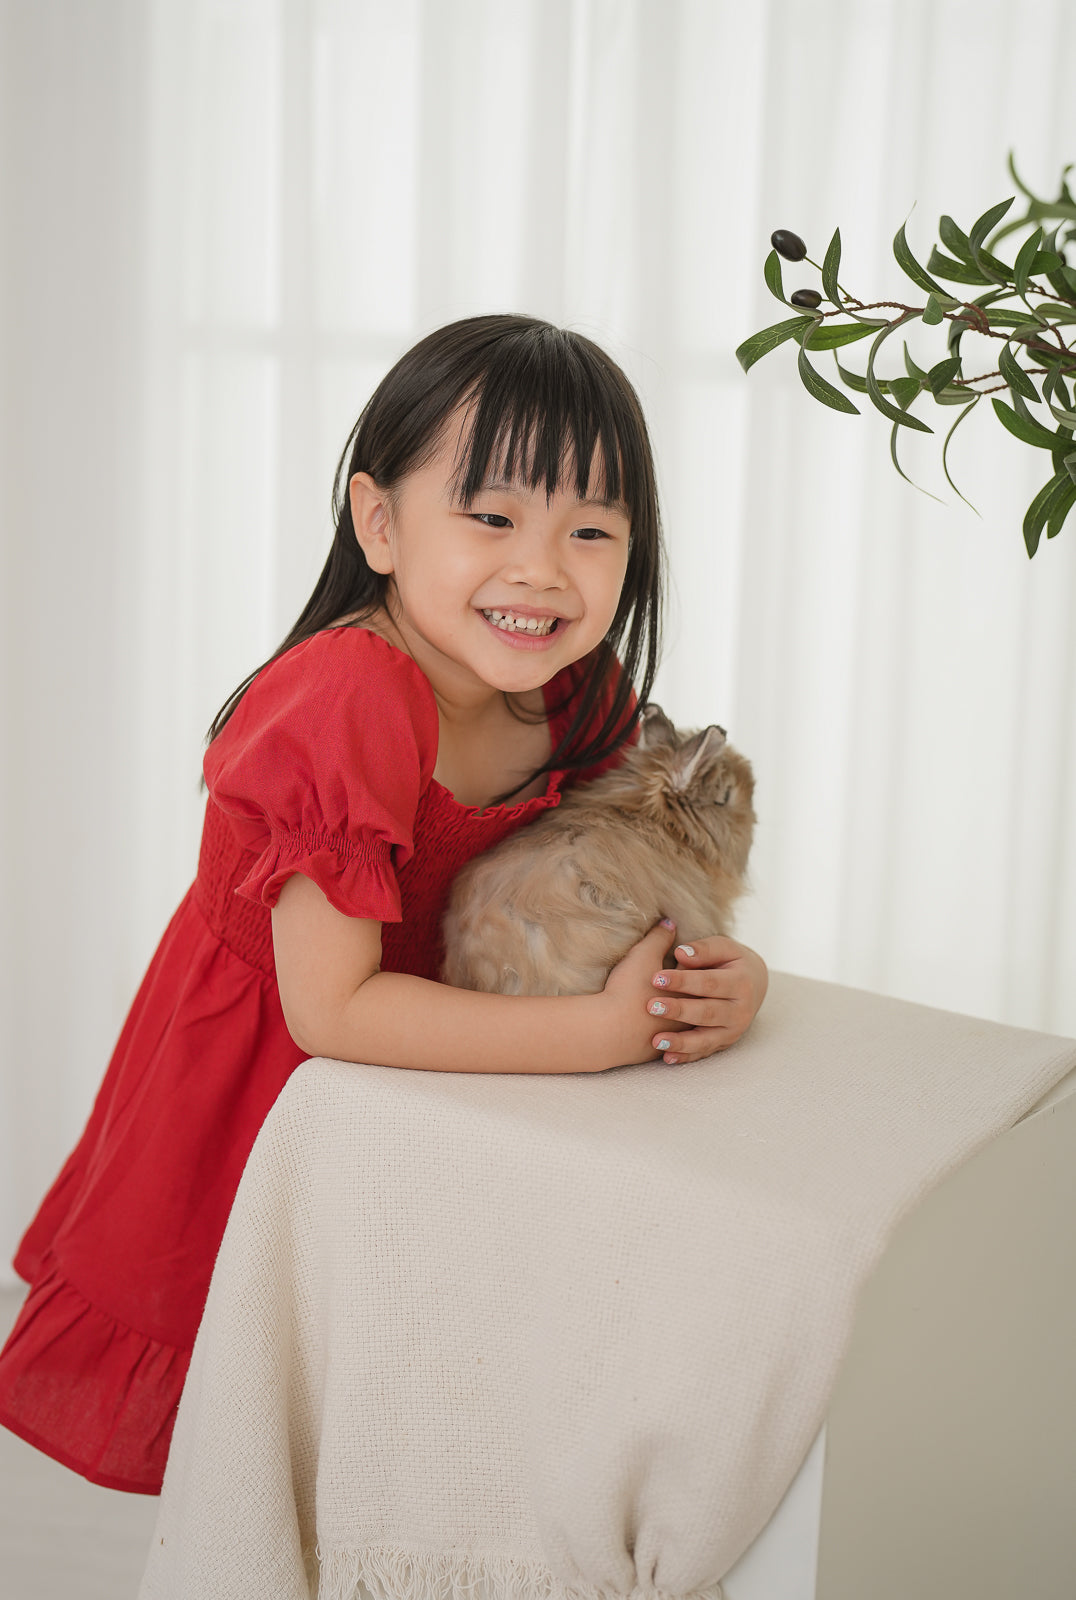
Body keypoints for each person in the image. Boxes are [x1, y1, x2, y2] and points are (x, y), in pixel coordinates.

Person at [0, 314, 768, 1494]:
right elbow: (333, 1011)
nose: (541, 569)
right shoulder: (347, 696)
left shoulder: (573, 694)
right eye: (493, 517)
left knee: (411, 1430)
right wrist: (599, 1035)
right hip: (273, 1087)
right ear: (379, 523)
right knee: (265, 1430)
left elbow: (643, 860)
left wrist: (717, 975)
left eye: (591, 530)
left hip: (429, 1079)